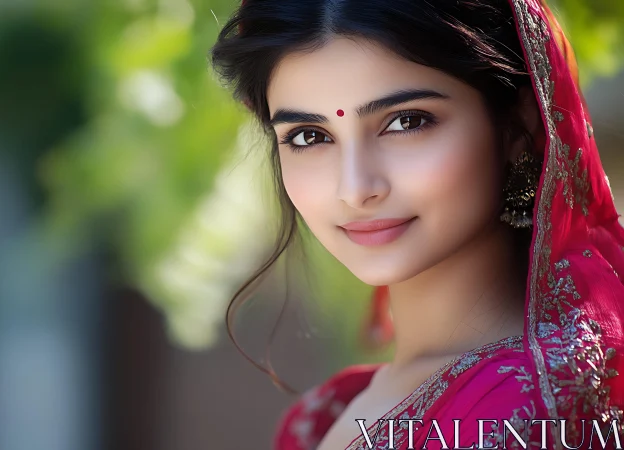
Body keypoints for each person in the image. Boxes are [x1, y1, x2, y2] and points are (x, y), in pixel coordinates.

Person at [209, 0, 624, 449]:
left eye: (406, 122)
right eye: (309, 136)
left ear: (520, 124)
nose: (355, 188)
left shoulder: (531, 414)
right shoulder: (330, 412)